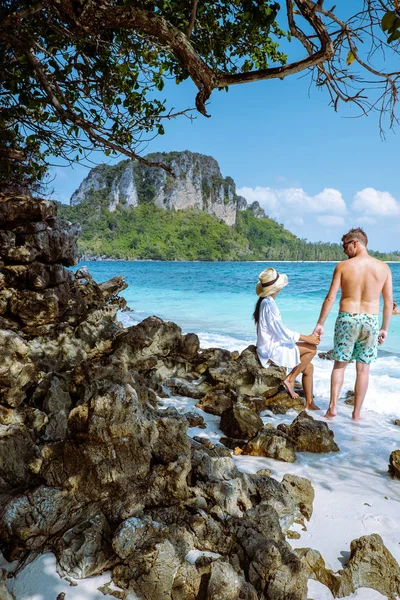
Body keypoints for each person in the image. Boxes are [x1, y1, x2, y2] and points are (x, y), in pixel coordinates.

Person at [314, 228, 393, 421]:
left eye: (345, 246)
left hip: (347, 318)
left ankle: (333, 408)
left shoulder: (343, 266)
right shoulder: (383, 268)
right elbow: (388, 302)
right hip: (370, 321)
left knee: (340, 365)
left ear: (356, 243)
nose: (344, 251)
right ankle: (356, 414)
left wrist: (320, 323)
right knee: (363, 368)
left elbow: (330, 297)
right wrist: (385, 328)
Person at [254, 267, 321, 409]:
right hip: (271, 350)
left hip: (273, 344)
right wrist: (307, 338)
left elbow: (279, 332)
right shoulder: (268, 304)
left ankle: (309, 403)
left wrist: (305, 338)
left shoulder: (266, 302)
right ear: (276, 288)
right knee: (312, 349)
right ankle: (290, 379)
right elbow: (281, 332)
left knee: (308, 367)